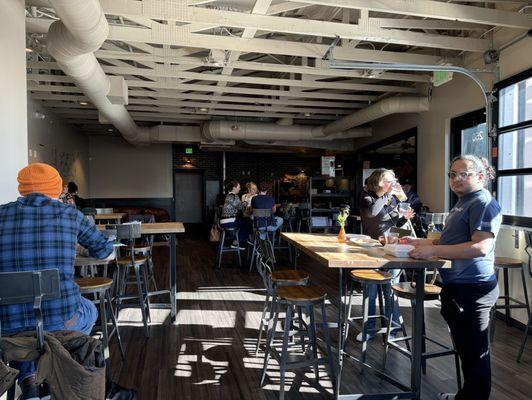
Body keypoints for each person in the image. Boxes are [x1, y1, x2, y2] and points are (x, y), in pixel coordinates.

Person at [0, 163, 114, 400]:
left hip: (7, 328)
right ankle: (62, 378)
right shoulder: (70, 214)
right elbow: (105, 251)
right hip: (61, 321)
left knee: (29, 333)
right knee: (89, 311)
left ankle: (30, 381)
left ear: (22, 189)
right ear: (56, 189)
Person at [404, 155, 501, 400]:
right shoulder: (463, 202)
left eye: (464, 173)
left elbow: (481, 248)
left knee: (475, 354)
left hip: (473, 289)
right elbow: (450, 241)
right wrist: (418, 242)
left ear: (480, 177)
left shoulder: (483, 202)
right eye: (452, 174)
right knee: (467, 351)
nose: (456, 178)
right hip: (458, 287)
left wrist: (433, 251)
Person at [358, 168, 414, 341]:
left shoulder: (390, 198)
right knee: (371, 291)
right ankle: (368, 328)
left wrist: (405, 217)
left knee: (389, 290)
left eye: (393, 180)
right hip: (371, 249)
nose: (393, 183)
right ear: (379, 182)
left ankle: (393, 328)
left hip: (391, 248)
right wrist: (388, 193)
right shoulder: (366, 197)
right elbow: (373, 212)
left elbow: (394, 222)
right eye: (389, 180)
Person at [220, 179, 249, 250]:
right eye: (239, 187)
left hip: (224, 221)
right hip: (229, 222)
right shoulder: (234, 196)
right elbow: (241, 207)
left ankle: (239, 239)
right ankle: (238, 242)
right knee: (247, 221)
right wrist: (246, 200)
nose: (240, 188)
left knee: (244, 221)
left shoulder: (228, 195)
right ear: (234, 188)